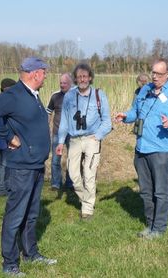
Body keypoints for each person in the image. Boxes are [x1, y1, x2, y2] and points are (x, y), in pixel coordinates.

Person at [0, 57, 56, 276]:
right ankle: (10, 264)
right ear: (35, 74)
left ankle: (31, 254)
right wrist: (8, 136)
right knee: (15, 216)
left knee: (31, 214)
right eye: (44, 72)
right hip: (21, 167)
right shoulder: (13, 95)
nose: (46, 76)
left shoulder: (33, 95)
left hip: (36, 165)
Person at [115, 59, 168, 239]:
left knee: (161, 190)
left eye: (159, 74)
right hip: (141, 148)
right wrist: (126, 116)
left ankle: (159, 228)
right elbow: (135, 112)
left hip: (162, 149)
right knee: (146, 191)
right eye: (153, 73)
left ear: (167, 74)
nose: (155, 77)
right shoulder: (145, 90)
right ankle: (150, 224)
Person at [56, 63, 112, 220]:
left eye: (85, 76)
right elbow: (64, 122)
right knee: (73, 175)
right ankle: (86, 199)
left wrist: (98, 136)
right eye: (79, 76)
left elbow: (107, 121)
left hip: (92, 139)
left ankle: (87, 209)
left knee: (89, 173)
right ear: (75, 78)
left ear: (90, 78)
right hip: (74, 140)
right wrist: (60, 141)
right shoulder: (69, 96)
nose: (82, 79)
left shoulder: (99, 95)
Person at [46, 73, 73, 191]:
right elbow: (48, 112)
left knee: (72, 159)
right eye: (61, 83)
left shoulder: (76, 96)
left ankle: (70, 183)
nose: (62, 85)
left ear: (70, 83)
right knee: (56, 159)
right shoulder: (55, 96)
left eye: (65, 83)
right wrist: (45, 126)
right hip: (57, 132)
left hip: (72, 133)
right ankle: (56, 184)